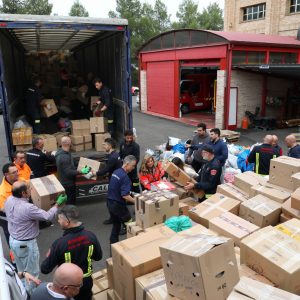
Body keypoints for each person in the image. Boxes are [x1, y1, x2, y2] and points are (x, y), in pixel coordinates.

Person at [4, 181, 67, 294]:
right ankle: (32, 294)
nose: (31, 190)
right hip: (26, 245)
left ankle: (22, 289)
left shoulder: (9, 199)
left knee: (21, 270)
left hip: (13, 241)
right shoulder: (28, 208)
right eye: (29, 188)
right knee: (32, 274)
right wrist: (57, 204)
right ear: (23, 193)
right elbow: (47, 216)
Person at [41, 205, 102, 300]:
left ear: (67, 222)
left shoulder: (59, 244)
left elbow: (45, 269)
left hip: (68, 288)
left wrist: (52, 254)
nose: (58, 221)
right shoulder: (90, 236)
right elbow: (98, 257)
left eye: (59, 219)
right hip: (86, 282)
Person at [92, 138, 122, 225]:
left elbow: (106, 170)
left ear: (110, 146)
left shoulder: (113, 157)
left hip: (115, 183)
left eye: (104, 145)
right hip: (115, 180)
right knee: (111, 201)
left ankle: (119, 221)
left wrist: (95, 173)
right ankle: (113, 218)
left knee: (113, 202)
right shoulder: (115, 154)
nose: (103, 146)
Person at [107, 155, 136, 244]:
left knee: (116, 226)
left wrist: (131, 193)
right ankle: (133, 245)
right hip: (119, 206)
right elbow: (125, 196)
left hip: (109, 203)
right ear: (127, 164)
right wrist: (137, 201)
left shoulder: (116, 172)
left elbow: (117, 187)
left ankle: (114, 250)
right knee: (131, 227)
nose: (134, 168)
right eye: (133, 166)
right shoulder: (125, 178)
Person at [56, 136, 88, 204]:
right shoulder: (64, 157)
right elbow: (68, 172)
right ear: (69, 143)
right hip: (68, 183)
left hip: (65, 181)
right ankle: (69, 213)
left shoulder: (63, 152)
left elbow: (70, 163)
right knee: (70, 201)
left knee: (68, 199)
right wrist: (81, 171)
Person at [0, 163, 19, 245]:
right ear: (6, 175)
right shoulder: (2, 193)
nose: (17, 173)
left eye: (17, 171)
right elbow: (5, 210)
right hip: (6, 218)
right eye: (14, 172)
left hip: (18, 215)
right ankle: (13, 255)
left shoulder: (17, 180)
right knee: (12, 239)